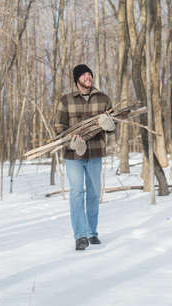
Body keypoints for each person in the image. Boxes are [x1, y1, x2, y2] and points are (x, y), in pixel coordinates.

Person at [55, 64, 115, 251]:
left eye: (90, 74)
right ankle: (80, 236)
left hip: (96, 152)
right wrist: (70, 141)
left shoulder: (103, 99)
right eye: (84, 75)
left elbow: (114, 126)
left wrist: (110, 125)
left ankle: (91, 232)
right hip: (74, 155)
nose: (88, 77)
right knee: (76, 193)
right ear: (77, 79)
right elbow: (59, 127)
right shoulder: (66, 100)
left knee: (94, 193)